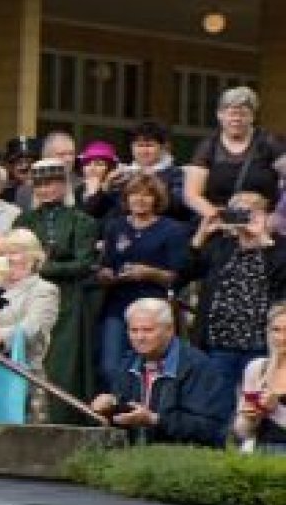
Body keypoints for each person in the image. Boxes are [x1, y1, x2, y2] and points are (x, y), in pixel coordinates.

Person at [182, 190, 286, 427]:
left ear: (264, 215)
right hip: (220, 342)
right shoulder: (221, 246)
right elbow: (184, 273)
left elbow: (282, 281)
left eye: (250, 211)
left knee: (258, 405)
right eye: (236, 211)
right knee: (217, 403)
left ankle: (254, 444)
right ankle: (218, 444)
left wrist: (263, 241)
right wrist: (201, 234)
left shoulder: (278, 248)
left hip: (261, 343)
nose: (243, 216)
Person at [16, 159, 101, 418]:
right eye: (40, 184)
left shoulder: (82, 221)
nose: (46, 189)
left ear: (64, 185)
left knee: (64, 363)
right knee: (29, 354)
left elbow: (84, 264)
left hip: (69, 299)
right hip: (30, 296)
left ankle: (65, 418)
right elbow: (15, 257)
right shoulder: (24, 220)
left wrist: (41, 267)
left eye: (51, 183)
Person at [93, 171, 189, 392]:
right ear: (126, 198)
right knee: (110, 366)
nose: (140, 199)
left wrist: (149, 273)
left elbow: (177, 276)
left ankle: (145, 406)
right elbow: (106, 263)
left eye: (147, 195)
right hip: (118, 305)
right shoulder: (115, 226)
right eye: (134, 194)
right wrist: (105, 274)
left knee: (149, 365)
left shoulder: (172, 229)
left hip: (153, 306)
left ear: (157, 199)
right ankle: (120, 405)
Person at [90, 298, 228, 447]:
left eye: (148, 330)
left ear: (169, 330)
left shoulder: (199, 367)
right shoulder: (127, 364)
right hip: (134, 455)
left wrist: (155, 420)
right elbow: (123, 421)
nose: (140, 337)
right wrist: (111, 406)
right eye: (133, 330)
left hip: (181, 456)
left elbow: (212, 429)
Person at [0, 228, 60, 409]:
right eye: (3, 253)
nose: (7, 258)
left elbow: (33, 328)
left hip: (20, 380)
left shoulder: (44, 289)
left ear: (33, 257)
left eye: (14, 252)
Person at [183, 86, 281, 223]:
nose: (236, 119)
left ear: (252, 116)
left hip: (262, 223)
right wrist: (220, 219)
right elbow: (191, 195)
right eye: (231, 113)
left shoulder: (270, 143)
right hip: (216, 222)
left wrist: (267, 204)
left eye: (243, 114)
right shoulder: (208, 147)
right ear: (220, 115)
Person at [231, 302, 286, 455]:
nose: (282, 337)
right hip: (259, 451)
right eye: (276, 330)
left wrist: (276, 409)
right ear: (267, 332)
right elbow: (241, 432)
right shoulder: (256, 368)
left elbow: (275, 411)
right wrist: (249, 419)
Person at [120, 119, 190, 224]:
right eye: (139, 145)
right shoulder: (123, 174)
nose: (144, 151)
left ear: (163, 147)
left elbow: (179, 206)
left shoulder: (177, 175)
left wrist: (154, 181)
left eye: (149, 145)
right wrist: (107, 186)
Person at [77, 140, 120, 223]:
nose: (92, 168)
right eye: (87, 164)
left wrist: (101, 190)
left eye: (99, 164)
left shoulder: (116, 194)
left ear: (111, 169)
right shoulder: (78, 191)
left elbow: (91, 214)